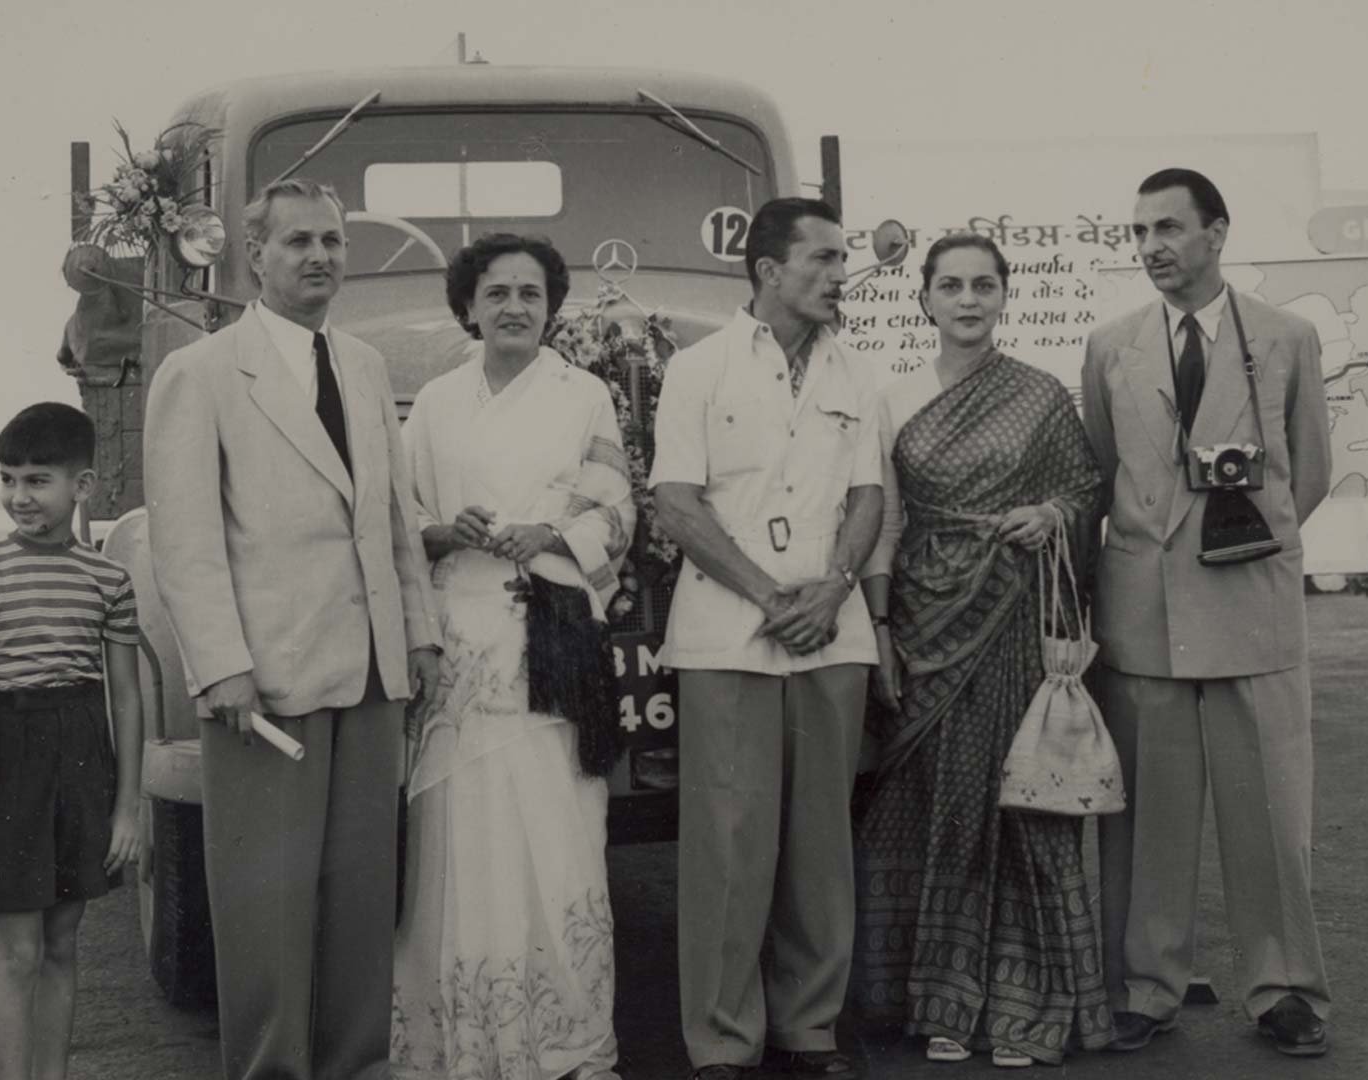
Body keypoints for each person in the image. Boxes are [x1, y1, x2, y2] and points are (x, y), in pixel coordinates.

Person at [143, 178, 441, 1080]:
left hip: (371, 673)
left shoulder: (361, 365)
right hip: (264, 682)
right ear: (254, 254)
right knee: (266, 905)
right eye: (299, 242)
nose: (320, 257)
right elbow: (186, 541)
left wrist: (418, 633)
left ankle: (357, 1065)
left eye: (334, 242)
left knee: (361, 901)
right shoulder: (199, 373)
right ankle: (270, 1069)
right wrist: (220, 668)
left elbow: (389, 517)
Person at [1081, 168, 1333, 1058]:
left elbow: (1309, 473)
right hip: (1143, 621)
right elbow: (1110, 474)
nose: (1151, 247)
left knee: (1269, 815)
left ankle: (1286, 991)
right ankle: (1146, 987)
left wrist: (1239, 545)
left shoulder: (1288, 337)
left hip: (1251, 614)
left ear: (1217, 233)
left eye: (1169, 229)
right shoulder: (1110, 347)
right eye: (1139, 231)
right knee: (1147, 817)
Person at [852, 234, 1110, 1068]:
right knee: (928, 804)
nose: (968, 300)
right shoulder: (889, 400)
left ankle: (1024, 1008)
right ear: (922, 299)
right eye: (952, 286)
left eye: (984, 286)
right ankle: (931, 1002)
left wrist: (1051, 514)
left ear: (1005, 298)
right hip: (925, 623)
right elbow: (884, 523)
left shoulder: (1038, 396)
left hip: (1010, 616)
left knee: (1018, 801)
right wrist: (884, 628)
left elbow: (1083, 490)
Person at [651, 197, 884, 1080]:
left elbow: (868, 496)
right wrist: (767, 595)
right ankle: (721, 1041)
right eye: (822, 259)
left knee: (820, 839)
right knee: (728, 840)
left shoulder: (854, 374)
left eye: (842, 259)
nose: (838, 276)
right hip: (726, 633)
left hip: (832, 630)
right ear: (767, 271)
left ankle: (809, 1030)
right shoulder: (699, 369)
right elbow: (676, 502)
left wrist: (831, 591)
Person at [391, 233, 632, 1080]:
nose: (514, 308)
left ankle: (565, 1041)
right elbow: (405, 514)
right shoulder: (438, 403)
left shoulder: (585, 396)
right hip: (461, 642)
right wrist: (438, 530)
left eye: (531, 293)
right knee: (460, 830)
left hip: (551, 631)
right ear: (469, 306)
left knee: (557, 823)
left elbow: (616, 508)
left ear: (552, 306)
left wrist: (553, 532)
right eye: (496, 293)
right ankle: (458, 1043)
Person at [0, 402, 143, 1080]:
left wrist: (128, 808)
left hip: (81, 758)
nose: (18, 497)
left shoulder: (109, 578)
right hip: (5, 762)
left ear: (81, 487)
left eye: (36, 480)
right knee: (16, 949)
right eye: (8, 479)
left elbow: (127, 697)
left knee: (61, 941)